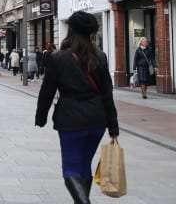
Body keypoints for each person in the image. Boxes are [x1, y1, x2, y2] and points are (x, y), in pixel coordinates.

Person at [35, 11, 119, 204]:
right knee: (84, 165)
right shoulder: (100, 56)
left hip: (70, 120)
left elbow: (47, 91)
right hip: (96, 120)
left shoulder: (58, 58)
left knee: (71, 168)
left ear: (71, 30)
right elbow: (107, 93)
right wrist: (113, 126)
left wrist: (41, 117)